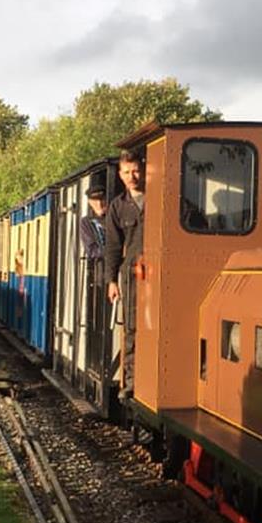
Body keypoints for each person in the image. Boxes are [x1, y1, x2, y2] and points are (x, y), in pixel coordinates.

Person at [103, 149, 146, 398]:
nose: (132, 176)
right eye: (127, 172)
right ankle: (132, 383)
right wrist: (111, 281)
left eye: (136, 170)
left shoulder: (162, 199)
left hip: (159, 274)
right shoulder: (117, 208)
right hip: (131, 276)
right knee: (132, 330)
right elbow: (112, 247)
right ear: (120, 175)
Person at [79, 183, 107, 260]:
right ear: (89, 202)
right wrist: (114, 251)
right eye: (95, 200)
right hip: (100, 267)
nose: (99, 204)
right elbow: (91, 251)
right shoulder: (86, 222)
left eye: (102, 199)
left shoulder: (116, 217)